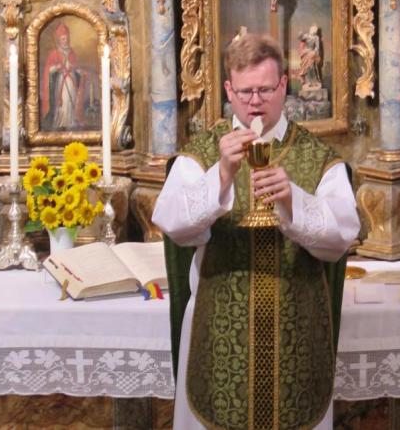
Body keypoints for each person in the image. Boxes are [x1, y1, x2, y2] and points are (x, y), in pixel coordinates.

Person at [152, 33, 359, 430]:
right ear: (229, 89)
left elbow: (341, 238)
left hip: (296, 337)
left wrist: (293, 200)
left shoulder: (318, 158)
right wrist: (222, 176)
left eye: (265, 89)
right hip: (219, 336)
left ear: (284, 85)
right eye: (244, 91)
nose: (254, 101)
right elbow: (172, 222)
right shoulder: (202, 152)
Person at [41, 23, 88, 130]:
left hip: (71, 80)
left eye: (66, 38)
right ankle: (61, 122)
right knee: (63, 102)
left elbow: (75, 67)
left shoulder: (72, 52)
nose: (65, 41)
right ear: (59, 40)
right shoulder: (54, 53)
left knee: (71, 101)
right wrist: (56, 67)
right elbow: (48, 69)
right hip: (61, 81)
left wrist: (79, 71)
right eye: (63, 39)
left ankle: (71, 121)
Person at [297, 24, 323, 91]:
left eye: (315, 30)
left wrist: (314, 52)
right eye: (313, 29)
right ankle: (307, 81)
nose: (314, 31)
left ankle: (314, 82)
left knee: (312, 67)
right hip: (307, 52)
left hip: (312, 53)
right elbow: (300, 37)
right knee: (307, 66)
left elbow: (317, 47)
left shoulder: (316, 38)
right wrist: (300, 34)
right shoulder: (307, 36)